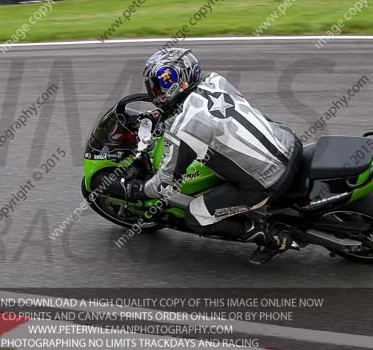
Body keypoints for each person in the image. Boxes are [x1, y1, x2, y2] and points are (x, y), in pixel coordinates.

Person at [128, 48, 302, 264]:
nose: (153, 91)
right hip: (290, 142)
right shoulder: (216, 81)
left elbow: (166, 182)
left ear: (170, 84)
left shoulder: (184, 127)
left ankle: (269, 237)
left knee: (195, 216)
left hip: (268, 181)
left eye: (155, 85)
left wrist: (140, 190)